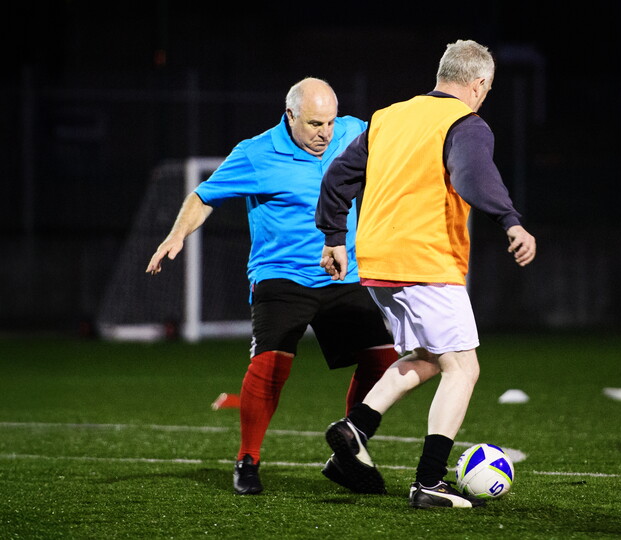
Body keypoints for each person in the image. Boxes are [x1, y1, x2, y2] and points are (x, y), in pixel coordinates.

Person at [145, 78, 398, 495]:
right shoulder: (256, 153)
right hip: (281, 275)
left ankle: (350, 447)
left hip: (341, 271)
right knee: (271, 365)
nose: (326, 133)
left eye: (332, 123)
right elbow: (204, 196)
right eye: (316, 124)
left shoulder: (354, 132)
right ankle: (248, 459)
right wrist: (177, 236)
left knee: (384, 361)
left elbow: (400, 142)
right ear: (290, 116)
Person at [315, 39, 536, 509]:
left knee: (427, 357)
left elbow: (337, 179)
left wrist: (334, 237)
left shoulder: (389, 116)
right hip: (425, 259)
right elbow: (473, 176)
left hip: (375, 261)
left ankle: (355, 429)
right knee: (463, 368)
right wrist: (510, 220)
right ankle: (429, 482)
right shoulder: (465, 122)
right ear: (479, 84)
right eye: (488, 88)